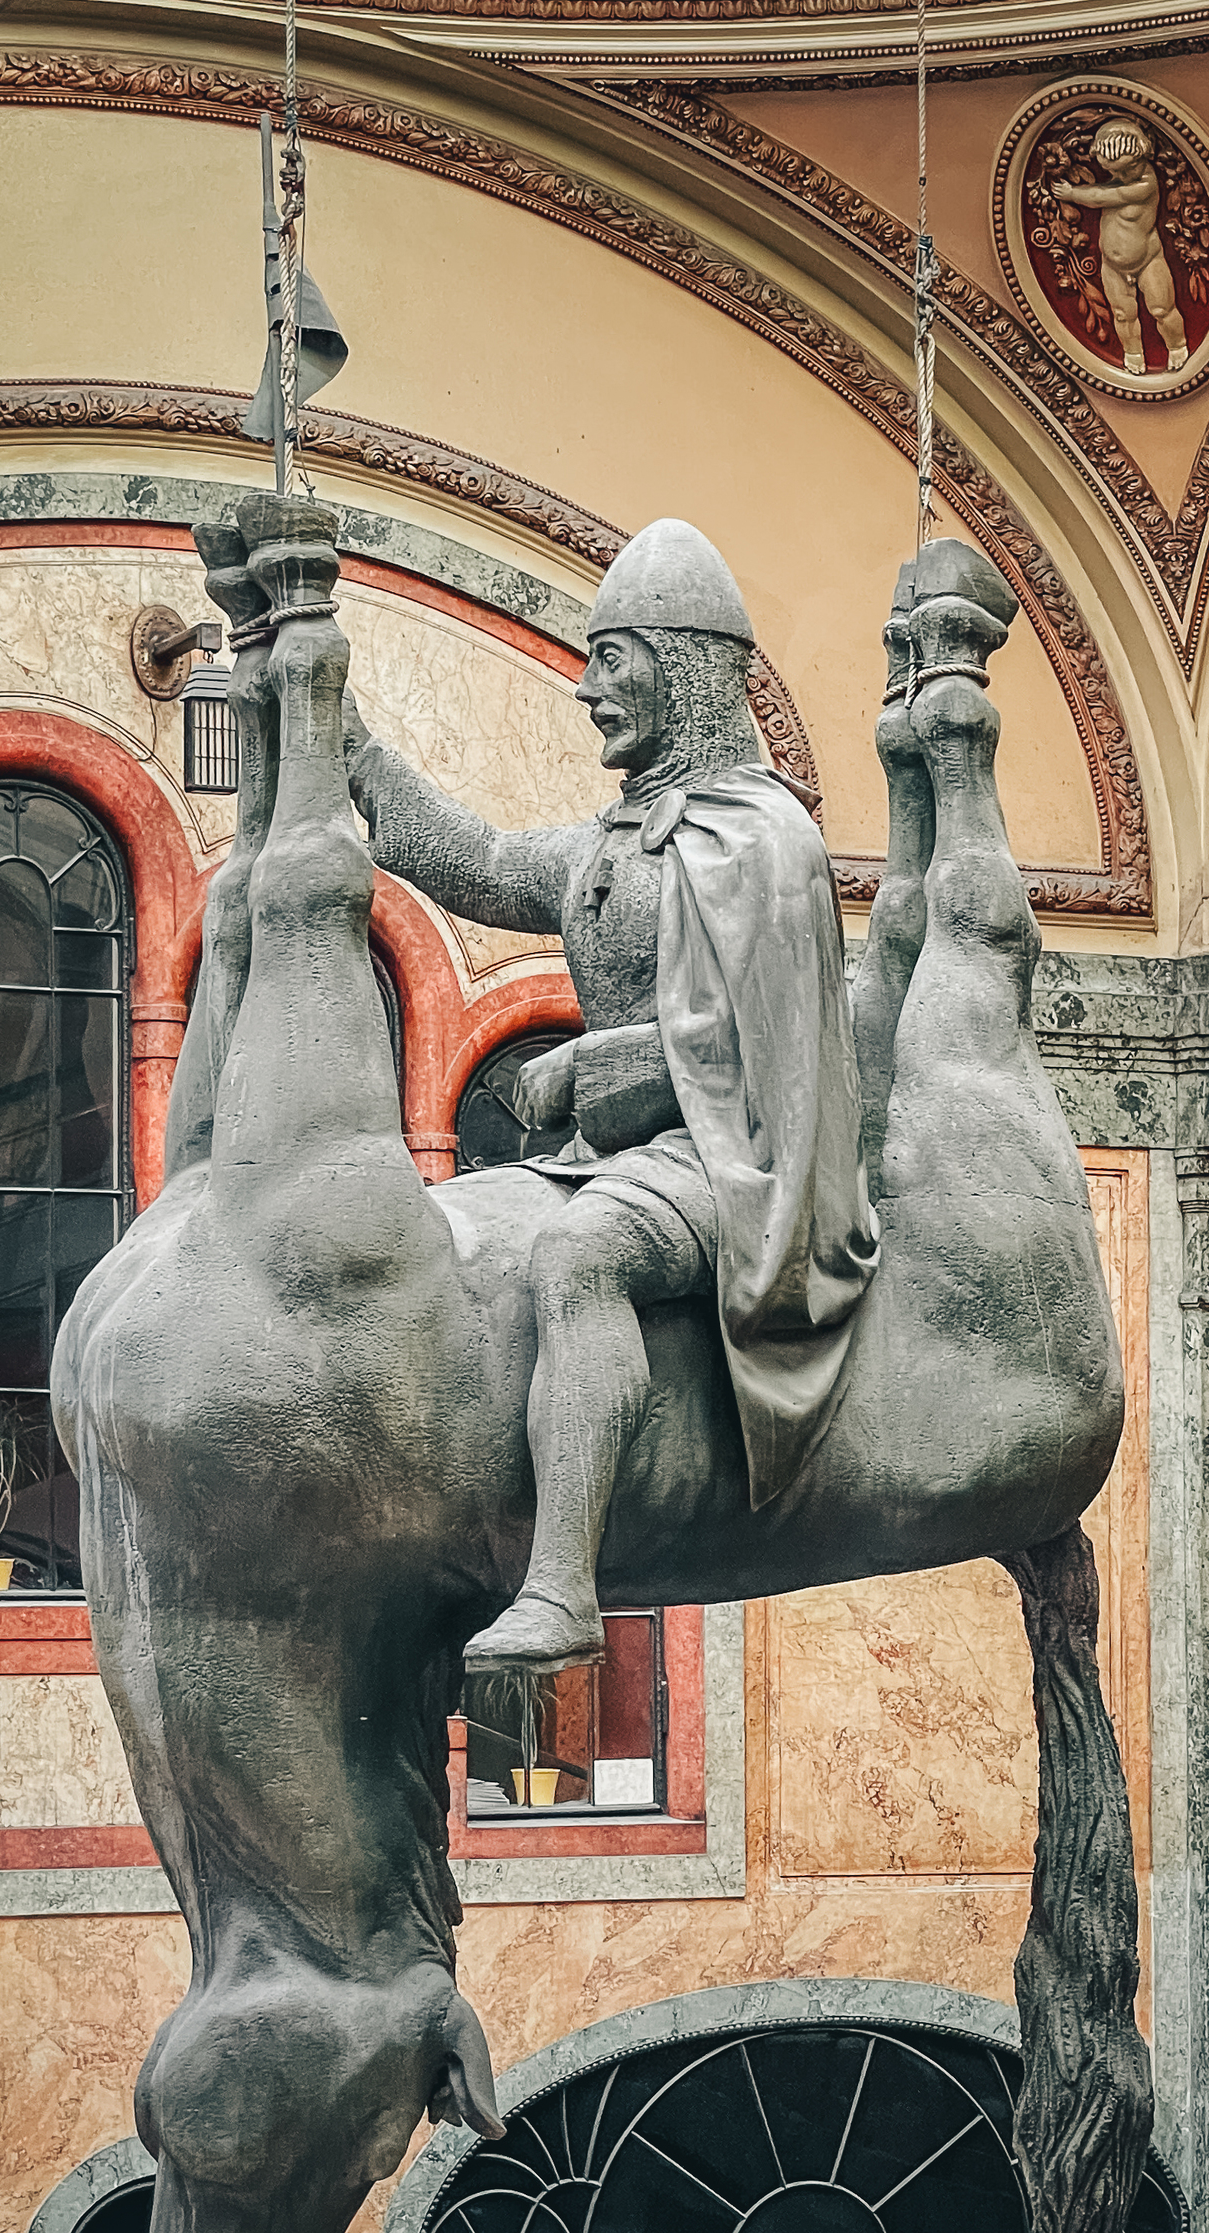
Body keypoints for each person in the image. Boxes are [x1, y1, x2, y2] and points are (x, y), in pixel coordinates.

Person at [344, 518, 878, 1675]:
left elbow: (774, 1050)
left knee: (580, 1256)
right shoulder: (613, 843)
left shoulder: (765, 837)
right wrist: (351, 746)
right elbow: (480, 862)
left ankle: (563, 1587)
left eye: (614, 658)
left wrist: (598, 1067)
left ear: (681, 666)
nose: (589, 689)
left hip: (736, 1161)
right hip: (623, 1154)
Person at [1051, 117, 1190, 376]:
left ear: (1141, 158)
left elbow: (1103, 196)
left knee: (1161, 308)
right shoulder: (1121, 178)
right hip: (1112, 265)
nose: (1120, 177)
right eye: (1114, 171)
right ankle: (1133, 352)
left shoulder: (1145, 184)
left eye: (1127, 169)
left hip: (1149, 260)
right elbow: (1107, 187)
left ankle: (1177, 345)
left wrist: (1071, 194)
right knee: (1122, 313)